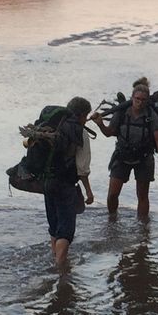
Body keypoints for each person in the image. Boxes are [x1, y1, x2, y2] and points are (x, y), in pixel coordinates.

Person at [98, 77, 158, 219]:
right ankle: (112, 220)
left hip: (144, 158)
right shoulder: (122, 112)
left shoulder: (151, 115)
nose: (140, 102)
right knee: (113, 194)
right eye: (137, 99)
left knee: (142, 196)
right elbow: (109, 133)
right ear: (132, 98)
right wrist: (100, 124)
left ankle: (143, 229)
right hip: (121, 156)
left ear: (148, 100)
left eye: (143, 100)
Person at [45, 96, 93, 270]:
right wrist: (89, 192)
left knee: (54, 226)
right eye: (86, 115)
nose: (86, 119)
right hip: (65, 184)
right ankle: (60, 270)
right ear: (81, 115)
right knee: (65, 231)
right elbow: (82, 168)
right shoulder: (81, 132)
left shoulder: (54, 126)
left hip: (47, 182)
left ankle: (56, 259)